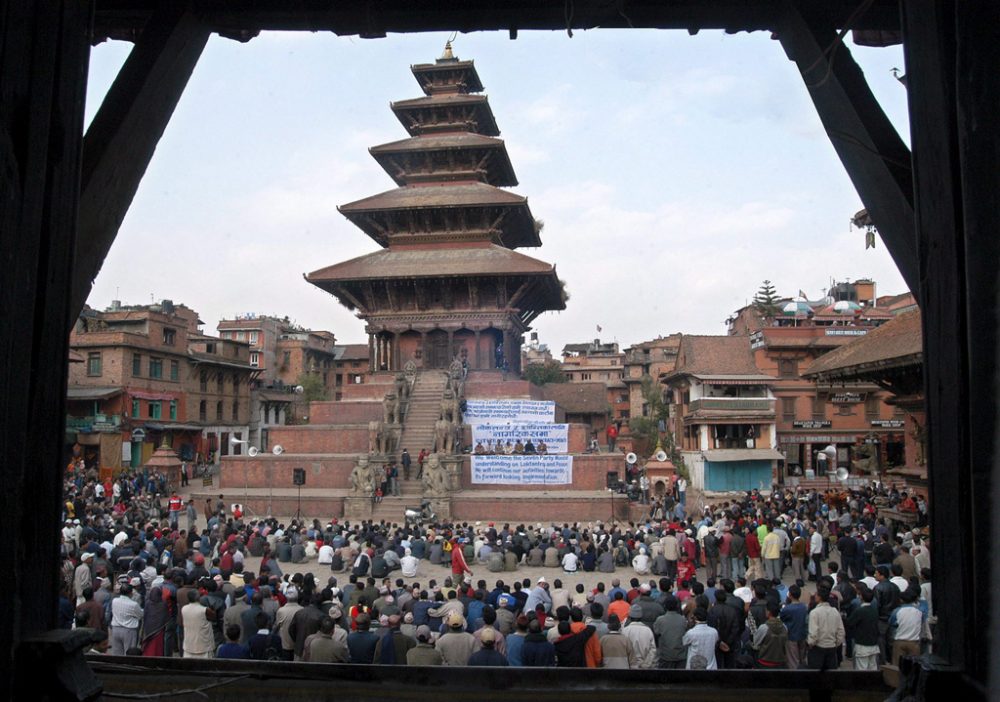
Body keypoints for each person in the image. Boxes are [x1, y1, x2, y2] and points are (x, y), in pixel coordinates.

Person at [806, 587, 844, 671]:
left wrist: (810, 644)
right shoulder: (835, 611)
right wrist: (836, 643)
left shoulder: (814, 612)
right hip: (832, 647)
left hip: (818, 648)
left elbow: (813, 633)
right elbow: (841, 631)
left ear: (819, 597)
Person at [182, 589, 217, 659]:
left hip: (189, 644)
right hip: (203, 645)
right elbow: (214, 617)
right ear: (199, 598)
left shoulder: (184, 609)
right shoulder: (205, 610)